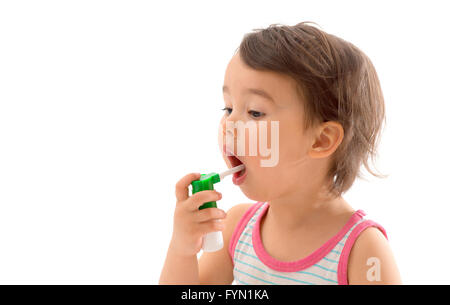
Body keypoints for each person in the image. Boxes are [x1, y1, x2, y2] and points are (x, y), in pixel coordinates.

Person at [159, 21, 401, 285]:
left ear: (321, 140)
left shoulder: (364, 252)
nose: (229, 124)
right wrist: (182, 249)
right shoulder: (237, 229)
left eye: (255, 112)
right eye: (228, 109)